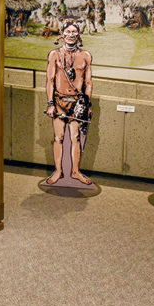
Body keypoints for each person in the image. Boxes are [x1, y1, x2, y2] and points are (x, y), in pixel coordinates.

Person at [45, 19, 92, 185]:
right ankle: (58, 171)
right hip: (58, 101)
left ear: (78, 35)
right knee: (58, 137)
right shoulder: (54, 55)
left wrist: (88, 104)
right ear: (62, 34)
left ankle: (75, 171)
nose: (71, 35)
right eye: (68, 32)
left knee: (76, 137)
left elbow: (88, 82)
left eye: (74, 32)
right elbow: (50, 80)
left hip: (77, 104)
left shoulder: (85, 56)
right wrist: (50, 103)